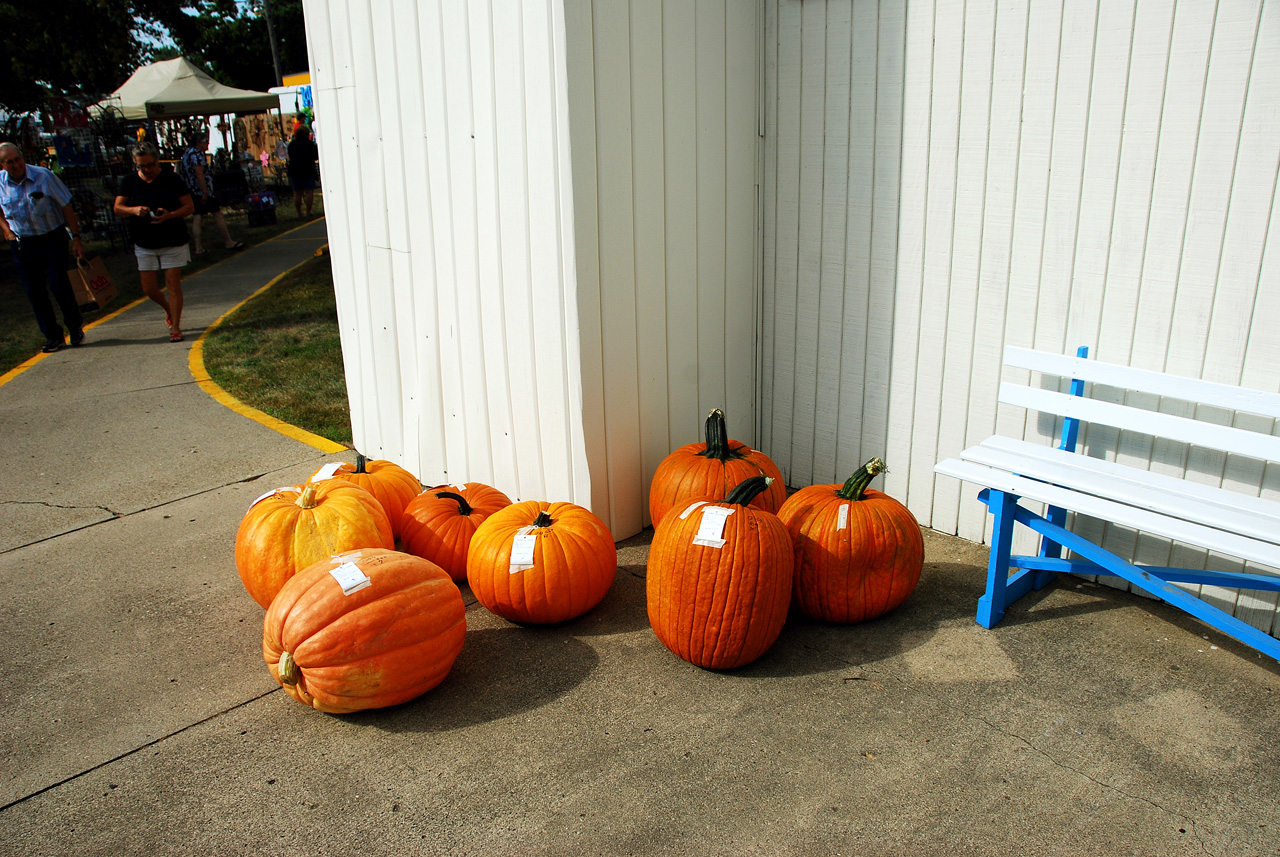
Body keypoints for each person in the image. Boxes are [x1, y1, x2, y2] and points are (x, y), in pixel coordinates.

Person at [0, 141, 86, 353]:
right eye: (9, 162)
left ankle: (74, 326)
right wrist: (6, 230)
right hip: (22, 242)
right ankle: (52, 336)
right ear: (2, 165)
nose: (16, 164)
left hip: (51, 238)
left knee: (58, 284)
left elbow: (66, 206)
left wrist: (76, 237)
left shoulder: (43, 176)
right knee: (35, 291)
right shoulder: (0, 183)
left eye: (18, 159)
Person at [114, 141, 195, 342]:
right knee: (148, 288)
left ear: (157, 161)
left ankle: (176, 326)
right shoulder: (130, 181)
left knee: (172, 283)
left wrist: (171, 215)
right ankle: (168, 309)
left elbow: (189, 206)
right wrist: (134, 210)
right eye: (142, 166)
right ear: (136, 164)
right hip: (144, 241)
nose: (147, 170)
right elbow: (117, 208)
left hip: (172, 239)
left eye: (150, 165)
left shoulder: (171, 179)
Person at [178, 131, 245, 255]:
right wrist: (205, 192)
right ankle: (228, 241)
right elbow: (199, 174)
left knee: (197, 216)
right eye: (205, 142)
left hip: (191, 189)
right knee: (218, 214)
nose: (207, 144)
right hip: (201, 190)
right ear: (198, 142)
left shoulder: (187, 153)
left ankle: (198, 247)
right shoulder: (198, 155)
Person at [286, 125, 319, 218]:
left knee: (297, 192)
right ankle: (308, 211)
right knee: (309, 191)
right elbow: (315, 156)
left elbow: (290, 155)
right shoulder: (310, 144)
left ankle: (299, 213)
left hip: (295, 170)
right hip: (308, 169)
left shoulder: (292, 144)